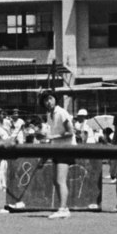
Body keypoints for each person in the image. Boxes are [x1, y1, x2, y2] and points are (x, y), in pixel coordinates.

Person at [40, 90, 75, 218]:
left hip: (66, 148)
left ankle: (63, 209)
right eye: (45, 100)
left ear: (55, 99)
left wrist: (52, 136)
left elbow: (71, 132)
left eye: (50, 98)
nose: (48, 102)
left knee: (60, 180)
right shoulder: (49, 115)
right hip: (57, 148)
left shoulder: (61, 112)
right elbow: (51, 136)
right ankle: (64, 208)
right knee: (56, 181)